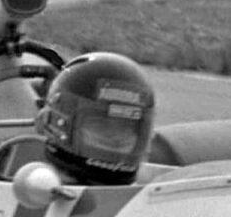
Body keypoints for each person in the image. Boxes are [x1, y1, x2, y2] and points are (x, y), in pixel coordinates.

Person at [30, 51, 156, 185]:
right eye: (101, 126)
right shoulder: (30, 185)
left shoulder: (150, 192)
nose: (114, 138)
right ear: (57, 125)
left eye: (124, 129)